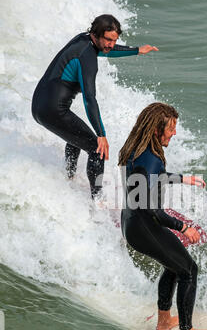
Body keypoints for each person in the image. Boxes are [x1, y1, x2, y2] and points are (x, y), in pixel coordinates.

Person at [118, 102, 207, 330]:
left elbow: (152, 179)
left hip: (131, 223)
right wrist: (184, 227)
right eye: (170, 129)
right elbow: (153, 210)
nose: (173, 133)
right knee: (188, 270)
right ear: (155, 130)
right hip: (146, 226)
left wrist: (184, 179)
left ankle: (164, 322)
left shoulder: (136, 150)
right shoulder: (151, 158)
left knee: (173, 265)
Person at [31, 14, 158, 199]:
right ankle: (96, 202)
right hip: (51, 110)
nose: (111, 44)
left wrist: (137, 50)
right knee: (97, 150)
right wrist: (101, 134)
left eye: (114, 40)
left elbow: (108, 50)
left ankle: (69, 178)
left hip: (40, 105)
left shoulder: (83, 40)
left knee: (75, 136)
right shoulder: (87, 57)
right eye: (108, 39)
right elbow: (90, 98)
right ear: (96, 34)